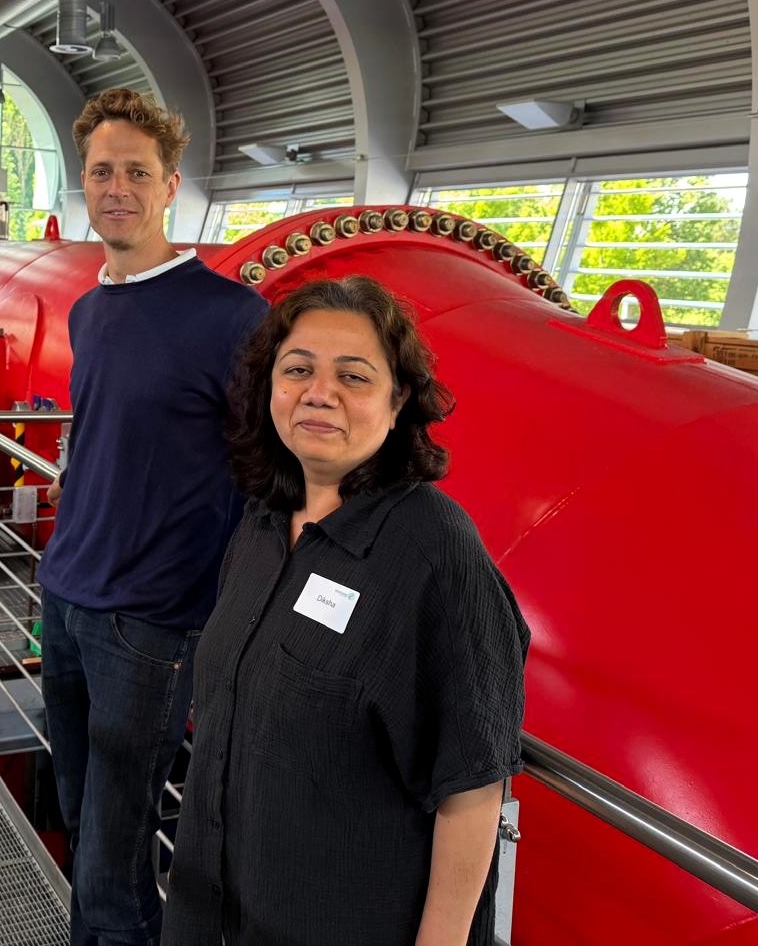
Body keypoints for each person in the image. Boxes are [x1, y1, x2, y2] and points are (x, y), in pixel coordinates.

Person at [162, 276, 530, 946]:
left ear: (397, 404)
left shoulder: (432, 552)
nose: (319, 393)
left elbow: (473, 788)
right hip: (210, 910)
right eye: (297, 369)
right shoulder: (264, 522)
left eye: (353, 377)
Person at [39, 87, 267, 946]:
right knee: (80, 821)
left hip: (151, 624)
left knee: (114, 851)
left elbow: (265, 475)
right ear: (84, 184)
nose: (117, 187)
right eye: (102, 171)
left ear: (173, 186)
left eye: (138, 171)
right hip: (63, 597)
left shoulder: (233, 317)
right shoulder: (91, 309)